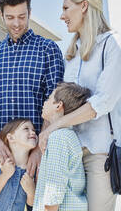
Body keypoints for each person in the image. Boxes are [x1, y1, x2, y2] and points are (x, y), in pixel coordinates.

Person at [38, 0, 121, 211]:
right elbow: (61, 101)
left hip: (99, 153)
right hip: (70, 151)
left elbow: (101, 102)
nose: (61, 16)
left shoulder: (114, 44)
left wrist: (53, 128)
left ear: (84, 6)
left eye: (65, 8)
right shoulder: (71, 54)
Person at [0, 0, 64, 177]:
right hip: (1, 155)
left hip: (38, 156)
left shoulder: (48, 50)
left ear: (30, 13)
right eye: (10, 17)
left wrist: (40, 148)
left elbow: (55, 102)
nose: (16, 23)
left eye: (22, 17)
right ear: (1, 15)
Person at [33, 82, 90, 211]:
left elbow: (54, 192)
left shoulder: (57, 138)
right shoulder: (67, 136)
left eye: (48, 99)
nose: (45, 102)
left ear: (58, 105)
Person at [0, 118, 37, 211]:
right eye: (26, 129)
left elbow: (31, 203)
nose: (33, 132)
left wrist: (31, 192)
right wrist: (5, 175)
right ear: (11, 137)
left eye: (34, 130)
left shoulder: (32, 167)